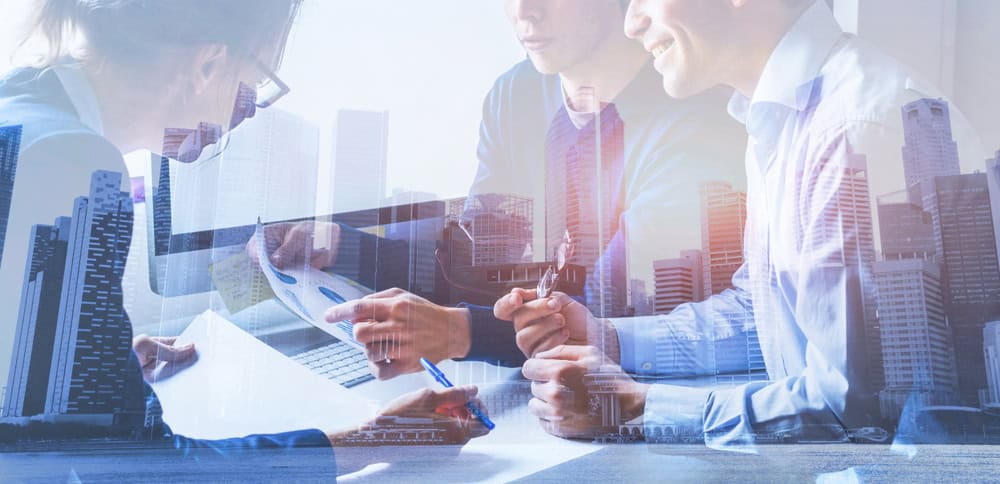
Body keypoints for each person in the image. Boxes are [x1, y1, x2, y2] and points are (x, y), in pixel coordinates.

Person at [0, 0, 489, 475]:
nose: (250, 112)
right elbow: (137, 470)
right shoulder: (69, 162)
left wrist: (96, 373)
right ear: (209, 65)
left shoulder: (21, 113)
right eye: (255, 84)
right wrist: (380, 437)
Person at [504, 0, 988, 447]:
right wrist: (609, 338)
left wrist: (638, 406)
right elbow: (773, 315)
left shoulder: (854, 131)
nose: (632, 23)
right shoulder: (788, 119)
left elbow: (857, 407)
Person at [319, 0, 745, 380]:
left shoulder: (695, 113)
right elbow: (477, 263)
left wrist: (457, 331)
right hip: (547, 375)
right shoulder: (514, 95)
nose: (523, 11)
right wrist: (342, 249)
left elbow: (607, 311)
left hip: (660, 377)